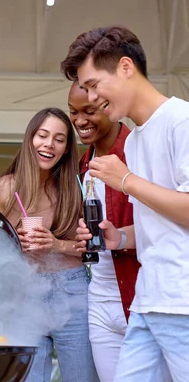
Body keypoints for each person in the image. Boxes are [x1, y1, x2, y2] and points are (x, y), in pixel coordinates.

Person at [62, 25, 189, 381]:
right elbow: (162, 222)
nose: (93, 98)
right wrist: (121, 237)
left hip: (182, 303)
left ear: (125, 67)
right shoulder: (134, 144)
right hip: (148, 301)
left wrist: (127, 181)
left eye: (93, 84)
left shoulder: (181, 122)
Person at [0, 108, 97, 382]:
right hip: (25, 292)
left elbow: (91, 248)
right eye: (43, 135)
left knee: (81, 377)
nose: (49, 144)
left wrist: (56, 245)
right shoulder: (6, 188)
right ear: (30, 139)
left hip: (71, 289)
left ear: (66, 149)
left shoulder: (76, 186)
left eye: (59, 139)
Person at [68, 82, 140, 382]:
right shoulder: (85, 162)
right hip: (100, 297)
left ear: (109, 108)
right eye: (73, 112)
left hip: (138, 295)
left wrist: (120, 236)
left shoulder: (138, 150)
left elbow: (167, 223)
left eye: (89, 111)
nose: (80, 120)